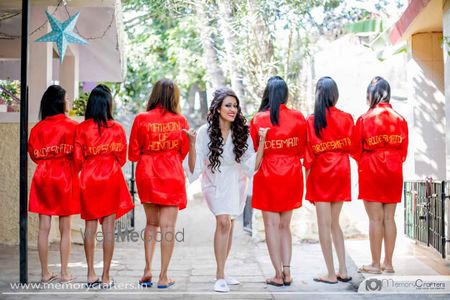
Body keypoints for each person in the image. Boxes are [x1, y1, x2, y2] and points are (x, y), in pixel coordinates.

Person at [184, 88, 268, 292]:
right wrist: (192, 144)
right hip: (213, 182)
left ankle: (222, 270)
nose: (233, 109)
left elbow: (251, 165)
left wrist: (263, 141)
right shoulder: (205, 131)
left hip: (235, 182)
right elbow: (194, 168)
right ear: (218, 108)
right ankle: (220, 276)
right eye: (228, 105)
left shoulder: (242, 132)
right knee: (222, 222)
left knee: (229, 224)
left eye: (235, 105)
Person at [129, 79, 191, 289]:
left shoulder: (141, 119)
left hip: (147, 174)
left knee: (151, 224)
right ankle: (163, 276)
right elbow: (183, 151)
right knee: (168, 227)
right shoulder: (180, 121)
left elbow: (133, 154)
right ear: (174, 96)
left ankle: (147, 269)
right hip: (171, 174)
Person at [74, 84, 134, 288]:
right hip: (111, 178)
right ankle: (106, 277)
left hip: (89, 179)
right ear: (108, 104)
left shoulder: (81, 128)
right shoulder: (117, 128)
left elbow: (77, 159)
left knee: (89, 228)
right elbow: (122, 158)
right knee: (108, 230)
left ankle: (91, 274)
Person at [249, 76, 307, 286]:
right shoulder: (298, 117)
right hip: (291, 172)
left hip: (268, 174)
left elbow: (255, 151)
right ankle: (288, 271)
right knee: (285, 225)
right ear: (285, 94)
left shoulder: (258, 119)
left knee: (271, 226)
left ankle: (277, 274)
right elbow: (302, 149)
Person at [353, 76, 408, 274]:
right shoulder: (400, 119)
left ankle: (375, 264)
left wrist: (366, 162)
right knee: (389, 218)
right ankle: (389, 263)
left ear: (371, 95)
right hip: (393, 169)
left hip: (372, 168)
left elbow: (355, 149)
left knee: (375, 219)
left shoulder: (365, 118)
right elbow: (403, 151)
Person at [28, 85, 80, 283]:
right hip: (65, 177)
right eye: (67, 98)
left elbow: (33, 154)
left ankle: (44, 273)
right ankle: (65, 273)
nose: (69, 102)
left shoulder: (37, 128)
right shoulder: (73, 126)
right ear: (60, 102)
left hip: (43, 176)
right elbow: (78, 155)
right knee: (65, 228)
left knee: (44, 227)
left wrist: (46, 163)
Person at [304, 77, 353, 284]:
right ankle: (343, 270)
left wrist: (308, 183)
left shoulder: (312, 120)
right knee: (335, 223)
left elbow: (308, 156)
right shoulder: (347, 118)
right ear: (335, 94)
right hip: (341, 170)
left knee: (324, 225)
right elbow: (352, 147)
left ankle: (331, 274)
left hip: (322, 172)